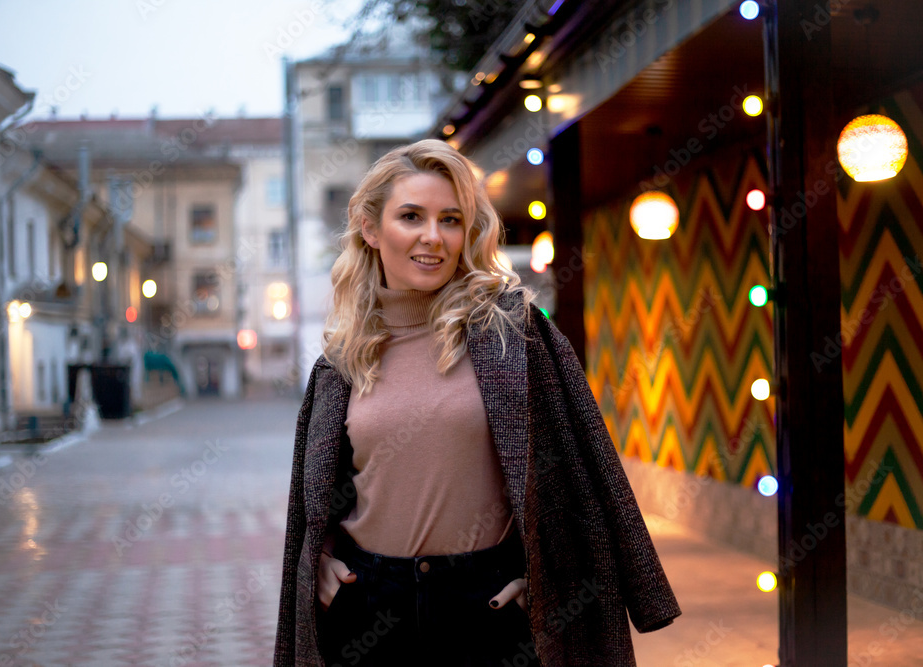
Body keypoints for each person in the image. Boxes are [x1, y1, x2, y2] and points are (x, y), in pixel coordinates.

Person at [274, 140, 680, 667]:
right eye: (411, 217)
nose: (432, 237)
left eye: (450, 219)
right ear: (370, 229)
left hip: (487, 606)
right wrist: (321, 558)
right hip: (367, 605)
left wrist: (547, 577)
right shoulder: (340, 360)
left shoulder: (514, 334)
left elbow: (584, 471)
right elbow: (320, 499)